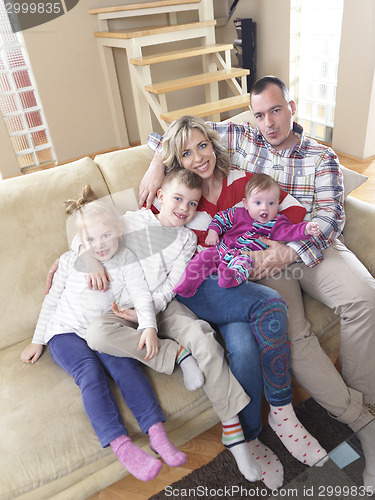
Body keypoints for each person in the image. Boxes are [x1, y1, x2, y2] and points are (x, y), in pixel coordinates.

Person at [139, 76, 375, 492]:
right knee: (282, 328)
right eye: (260, 114)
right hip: (251, 265)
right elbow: (174, 138)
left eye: (276, 110)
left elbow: (328, 218)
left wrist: (287, 249)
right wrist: (158, 159)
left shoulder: (320, 157)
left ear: (292, 106)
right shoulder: (232, 146)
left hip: (305, 245)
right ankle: (335, 420)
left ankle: (360, 401)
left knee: (365, 297)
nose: (269, 122)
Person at [86, 131, 329, 489]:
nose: (199, 157)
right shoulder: (146, 214)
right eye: (186, 153)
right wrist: (87, 255)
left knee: (245, 344)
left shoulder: (236, 186)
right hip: (198, 290)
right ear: (172, 169)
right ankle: (267, 422)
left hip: (225, 281)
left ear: (214, 147)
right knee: (271, 304)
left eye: (203, 146)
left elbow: (287, 213)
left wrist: (277, 241)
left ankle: (262, 427)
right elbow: (94, 228)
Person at [21, 187, 189, 482]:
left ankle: (156, 432)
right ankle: (121, 445)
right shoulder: (72, 260)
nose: (99, 245)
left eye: (106, 236)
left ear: (119, 230)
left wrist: (149, 327)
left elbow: (141, 298)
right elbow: (52, 299)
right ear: (82, 242)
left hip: (100, 330)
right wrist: (38, 338)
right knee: (90, 374)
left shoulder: (128, 261)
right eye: (91, 240)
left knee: (126, 365)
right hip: (65, 332)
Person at [174, 173, 319, 295]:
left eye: (271, 203)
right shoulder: (238, 214)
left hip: (247, 256)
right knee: (203, 258)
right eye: (257, 203)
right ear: (246, 203)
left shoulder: (277, 223)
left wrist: (306, 229)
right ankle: (186, 286)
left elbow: (290, 231)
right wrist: (213, 232)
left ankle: (229, 277)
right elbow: (221, 218)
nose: (264, 208)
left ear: (278, 204)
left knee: (243, 266)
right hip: (222, 249)